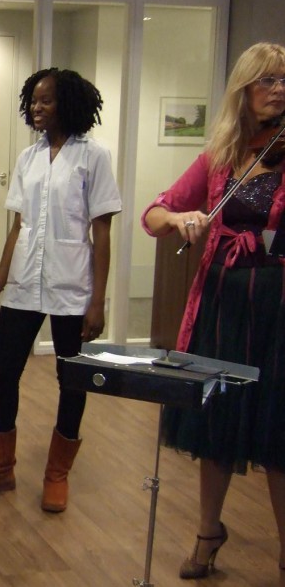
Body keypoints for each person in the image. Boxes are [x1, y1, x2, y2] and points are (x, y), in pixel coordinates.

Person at [141, 41, 285, 581]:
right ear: (243, 90)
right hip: (222, 304)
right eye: (267, 80)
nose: (279, 90)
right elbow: (154, 214)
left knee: (278, 432)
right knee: (217, 424)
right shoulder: (221, 157)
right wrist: (181, 220)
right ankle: (208, 531)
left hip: (278, 307)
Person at [0, 68, 122, 513]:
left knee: (72, 379)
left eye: (46, 100)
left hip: (72, 286)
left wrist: (97, 301)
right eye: (33, 100)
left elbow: (102, 232)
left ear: (68, 104)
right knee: (4, 373)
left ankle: (56, 474)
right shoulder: (28, 159)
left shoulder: (94, 157)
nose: (37, 107)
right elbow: (18, 228)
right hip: (25, 284)